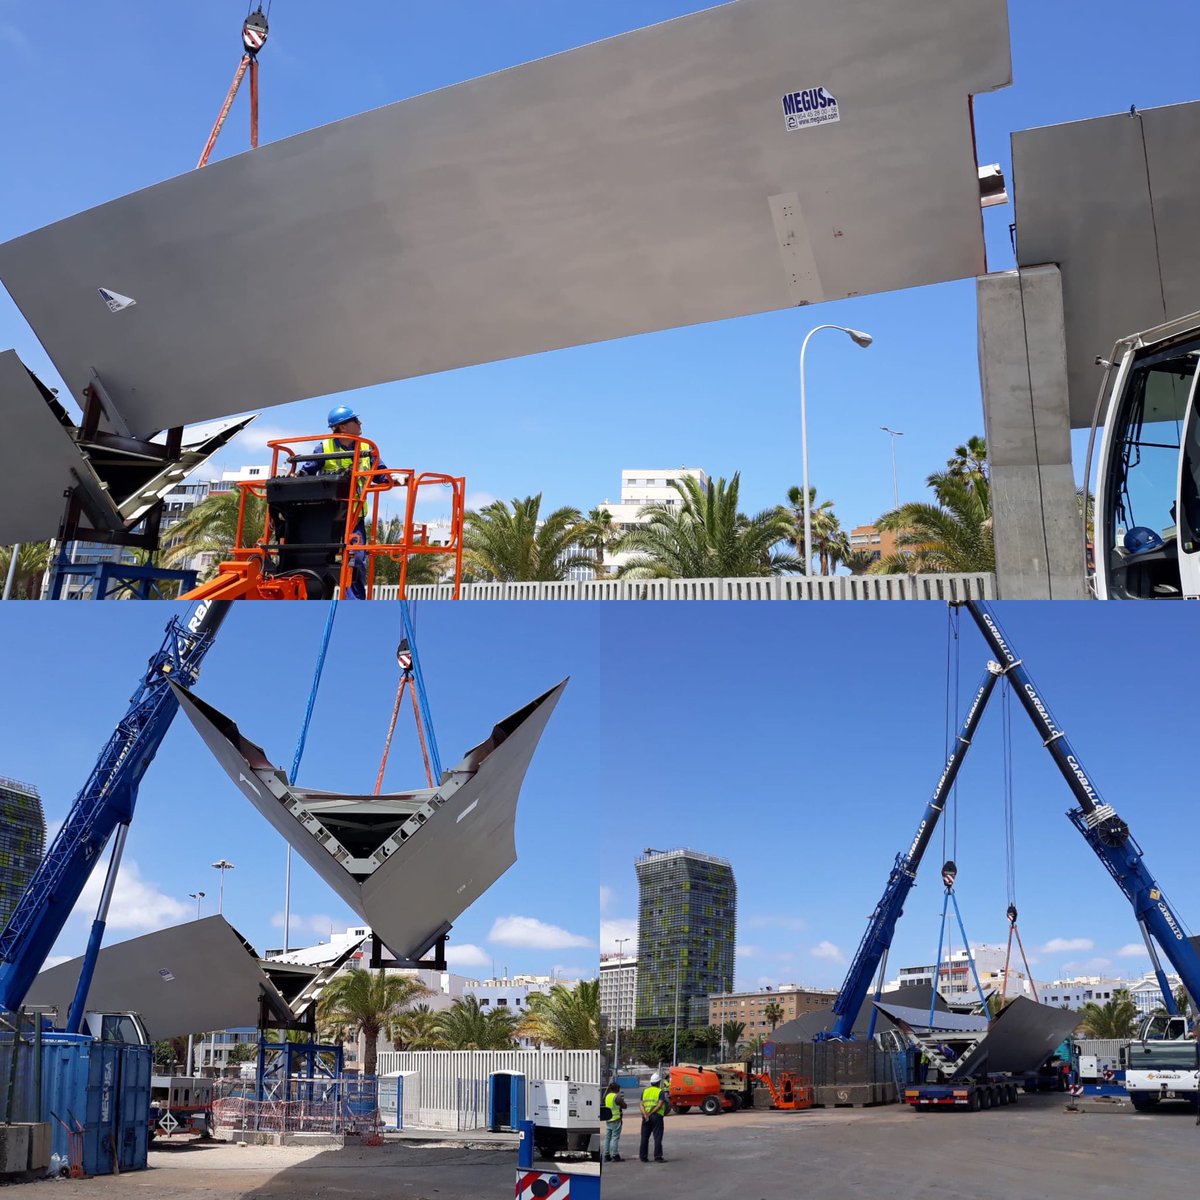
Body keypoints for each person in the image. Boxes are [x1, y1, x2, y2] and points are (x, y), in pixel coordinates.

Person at [298, 405, 390, 599]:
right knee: (319, 556)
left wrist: (395, 478)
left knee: (356, 557)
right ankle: (315, 595)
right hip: (327, 513)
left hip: (354, 514)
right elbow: (307, 471)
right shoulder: (325, 447)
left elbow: (380, 473)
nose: (360, 423)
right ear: (343, 427)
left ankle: (354, 602)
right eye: (355, 420)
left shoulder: (367, 447)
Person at [638, 1071, 668, 1163]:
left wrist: (645, 1114)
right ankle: (658, 1156)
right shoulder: (660, 1092)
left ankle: (643, 1157)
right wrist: (651, 1113)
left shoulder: (645, 1091)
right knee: (657, 1137)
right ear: (659, 1083)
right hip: (656, 1116)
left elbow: (641, 1104)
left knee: (644, 1137)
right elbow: (659, 1105)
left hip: (645, 1117)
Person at [603, 1079, 626, 1162]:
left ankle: (606, 1155)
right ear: (616, 1089)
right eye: (618, 1089)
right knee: (615, 1138)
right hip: (616, 1119)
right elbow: (624, 1106)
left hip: (608, 1119)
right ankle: (615, 1155)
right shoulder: (616, 1097)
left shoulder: (607, 1096)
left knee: (607, 1138)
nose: (619, 1091)